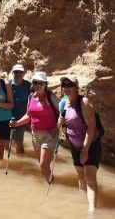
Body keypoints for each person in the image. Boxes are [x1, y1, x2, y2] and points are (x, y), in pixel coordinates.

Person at [57, 76, 101, 214]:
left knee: (90, 178)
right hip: (74, 145)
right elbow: (63, 128)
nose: (66, 87)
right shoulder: (64, 103)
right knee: (81, 176)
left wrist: (85, 149)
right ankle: (82, 203)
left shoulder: (84, 102)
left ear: (76, 86)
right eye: (64, 84)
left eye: (69, 84)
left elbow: (91, 127)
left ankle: (92, 212)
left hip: (91, 144)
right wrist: (60, 124)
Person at [10, 71, 59, 182]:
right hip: (35, 135)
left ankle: (51, 189)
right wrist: (16, 123)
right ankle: (51, 185)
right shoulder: (31, 96)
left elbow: (64, 112)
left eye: (41, 83)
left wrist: (57, 128)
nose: (38, 85)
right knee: (44, 167)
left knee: (43, 165)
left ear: (46, 85)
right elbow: (28, 115)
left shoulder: (50, 96)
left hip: (49, 135)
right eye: (36, 83)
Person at [10, 64, 31, 153]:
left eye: (20, 72)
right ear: (12, 73)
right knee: (7, 143)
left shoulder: (28, 85)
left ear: (24, 73)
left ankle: (20, 161)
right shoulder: (7, 85)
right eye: (16, 72)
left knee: (19, 144)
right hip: (8, 118)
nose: (18, 74)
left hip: (21, 119)